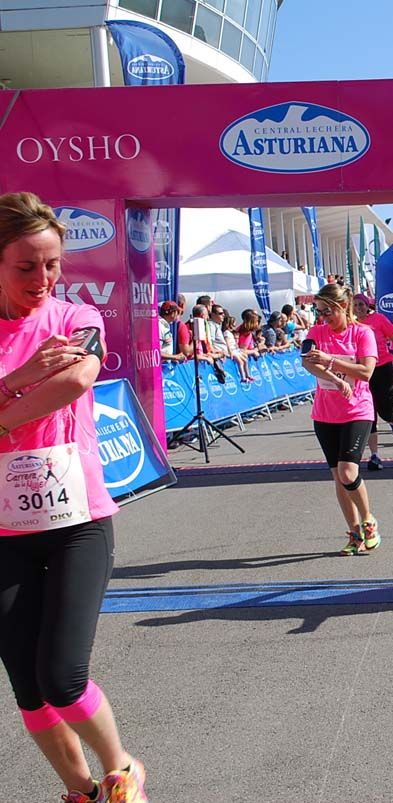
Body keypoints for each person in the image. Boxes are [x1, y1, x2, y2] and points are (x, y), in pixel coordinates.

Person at [0, 193, 148, 803]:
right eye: (26, 267)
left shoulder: (73, 317)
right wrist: (18, 377)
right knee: (28, 688)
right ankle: (83, 792)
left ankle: (121, 769)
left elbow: (78, 377)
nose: (43, 279)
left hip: (77, 517)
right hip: (5, 529)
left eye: (53, 264)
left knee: (61, 676)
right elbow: (42, 379)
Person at [301, 283, 380, 557]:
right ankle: (355, 532)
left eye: (328, 311)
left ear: (343, 307)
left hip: (357, 411)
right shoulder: (316, 332)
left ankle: (369, 520)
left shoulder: (362, 333)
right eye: (319, 311)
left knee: (348, 472)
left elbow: (366, 372)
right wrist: (334, 378)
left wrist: (330, 360)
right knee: (338, 477)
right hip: (325, 414)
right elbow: (307, 362)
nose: (323, 317)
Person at [351, 294, 393, 471]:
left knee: (384, 408)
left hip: (383, 367)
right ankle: (374, 456)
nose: (359, 308)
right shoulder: (352, 324)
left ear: (368, 306)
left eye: (361, 305)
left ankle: (392, 419)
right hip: (363, 371)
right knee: (369, 412)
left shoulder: (379, 319)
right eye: (356, 305)